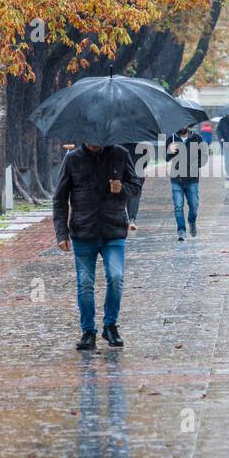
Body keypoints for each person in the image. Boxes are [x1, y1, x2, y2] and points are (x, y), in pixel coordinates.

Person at [54, 142, 143, 350]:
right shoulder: (72, 158)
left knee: (116, 277)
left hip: (113, 230)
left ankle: (110, 325)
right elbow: (59, 198)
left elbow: (136, 186)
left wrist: (122, 188)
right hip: (84, 231)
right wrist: (61, 232)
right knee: (85, 284)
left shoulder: (120, 154)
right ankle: (88, 331)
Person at [166, 124, 207, 240]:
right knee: (178, 206)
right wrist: (170, 150)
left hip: (192, 179)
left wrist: (195, 165)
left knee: (194, 206)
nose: (182, 127)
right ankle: (181, 230)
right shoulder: (172, 139)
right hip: (176, 178)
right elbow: (166, 157)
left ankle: (192, 221)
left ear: (188, 125)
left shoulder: (197, 138)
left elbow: (204, 157)